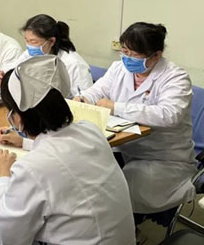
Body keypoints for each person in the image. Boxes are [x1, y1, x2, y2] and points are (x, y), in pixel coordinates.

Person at [0, 56, 135, 245]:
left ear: (17, 117)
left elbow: (3, 235)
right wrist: (24, 142)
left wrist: (3, 176)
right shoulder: (90, 131)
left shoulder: (33, 168)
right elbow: (62, 152)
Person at [75, 22, 197, 225]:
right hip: (124, 147)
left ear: (156, 55)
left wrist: (116, 107)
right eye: (124, 51)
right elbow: (98, 90)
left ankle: (126, 231)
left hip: (162, 157)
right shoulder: (119, 68)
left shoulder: (175, 77)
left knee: (119, 191)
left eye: (134, 54)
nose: (127, 58)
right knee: (89, 175)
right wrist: (83, 98)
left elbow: (169, 115)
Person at [0, 14, 93, 96]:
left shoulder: (74, 64)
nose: (29, 46)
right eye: (27, 40)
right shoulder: (30, 54)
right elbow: (13, 69)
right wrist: (3, 76)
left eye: (34, 42)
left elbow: (84, 101)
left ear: (51, 41)